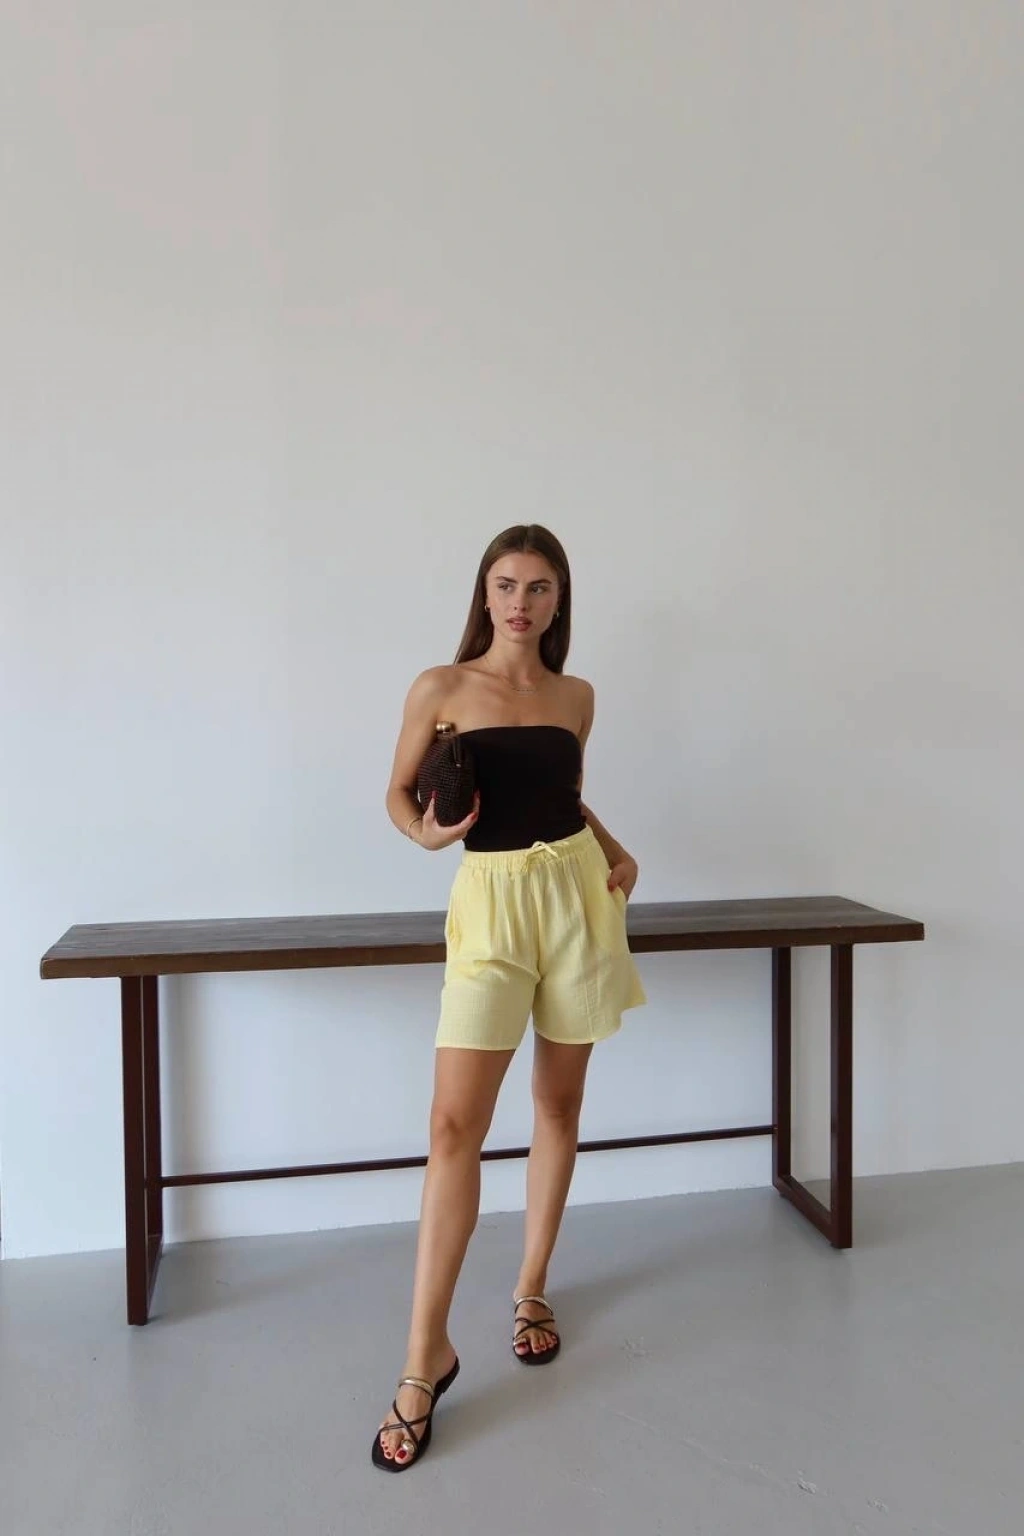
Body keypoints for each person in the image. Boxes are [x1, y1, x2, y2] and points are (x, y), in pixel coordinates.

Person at [372, 524, 646, 1472]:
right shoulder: (440, 688)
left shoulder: (577, 696)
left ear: (558, 599)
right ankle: (425, 1357)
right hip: (489, 906)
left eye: (538, 587)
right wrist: (423, 837)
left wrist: (616, 849)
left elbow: (560, 796)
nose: (520, 602)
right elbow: (398, 794)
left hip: (576, 901)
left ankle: (531, 1287)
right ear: (483, 595)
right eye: (504, 584)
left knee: (558, 1106)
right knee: (454, 1125)